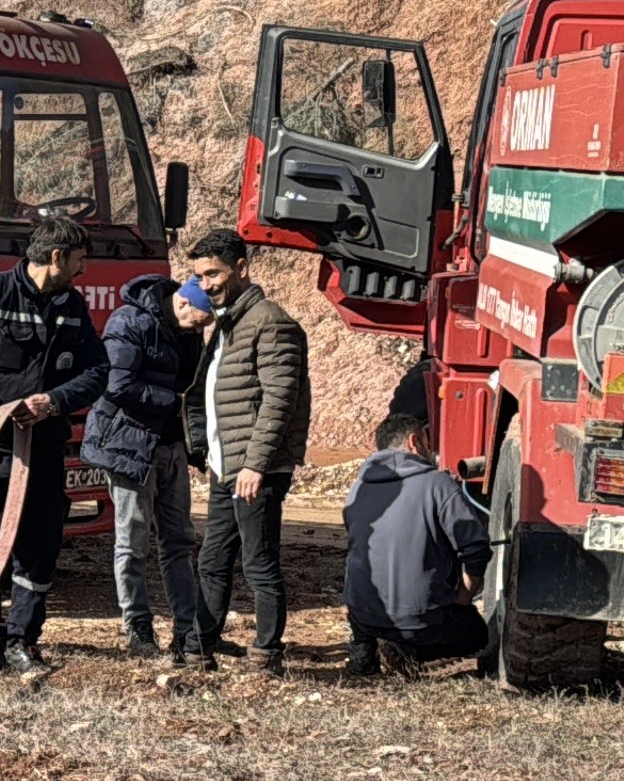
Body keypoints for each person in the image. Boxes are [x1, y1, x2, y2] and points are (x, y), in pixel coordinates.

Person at [0, 211, 105, 675]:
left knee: (38, 543)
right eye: (78, 260)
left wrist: (55, 401)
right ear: (55, 257)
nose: (83, 270)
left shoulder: (71, 306)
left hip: (42, 446)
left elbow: (97, 372)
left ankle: (22, 640)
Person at [178, 228, 309, 674]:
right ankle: (199, 649)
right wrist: (209, 454)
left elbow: (279, 400)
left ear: (242, 269)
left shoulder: (271, 322)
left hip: (257, 470)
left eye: (213, 273)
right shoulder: (228, 324)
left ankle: (267, 654)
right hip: (226, 466)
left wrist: (256, 464)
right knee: (213, 560)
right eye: (199, 277)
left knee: (259, 563)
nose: (206, 284)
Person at [80, 267, 200, 660]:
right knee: (132, 542)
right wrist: (176, 404)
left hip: (172, 447)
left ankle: (188, 629)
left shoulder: (190, 329)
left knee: (179, 540)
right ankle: (137, 627)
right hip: (129, 447)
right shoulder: (128, 321)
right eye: (200, 318)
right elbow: (117, 386)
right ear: (182, 301)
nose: (201, 327)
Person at [342, 414, 490, 675]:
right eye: (426, 440)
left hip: (363, 614)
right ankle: (412, 652)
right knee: (477, 636)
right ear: (414, 442)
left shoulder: (358, 488)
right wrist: (464, 596)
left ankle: (364, 648)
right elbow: (476, 549)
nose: (430, 449)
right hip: (422, 620)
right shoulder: (437, 485)